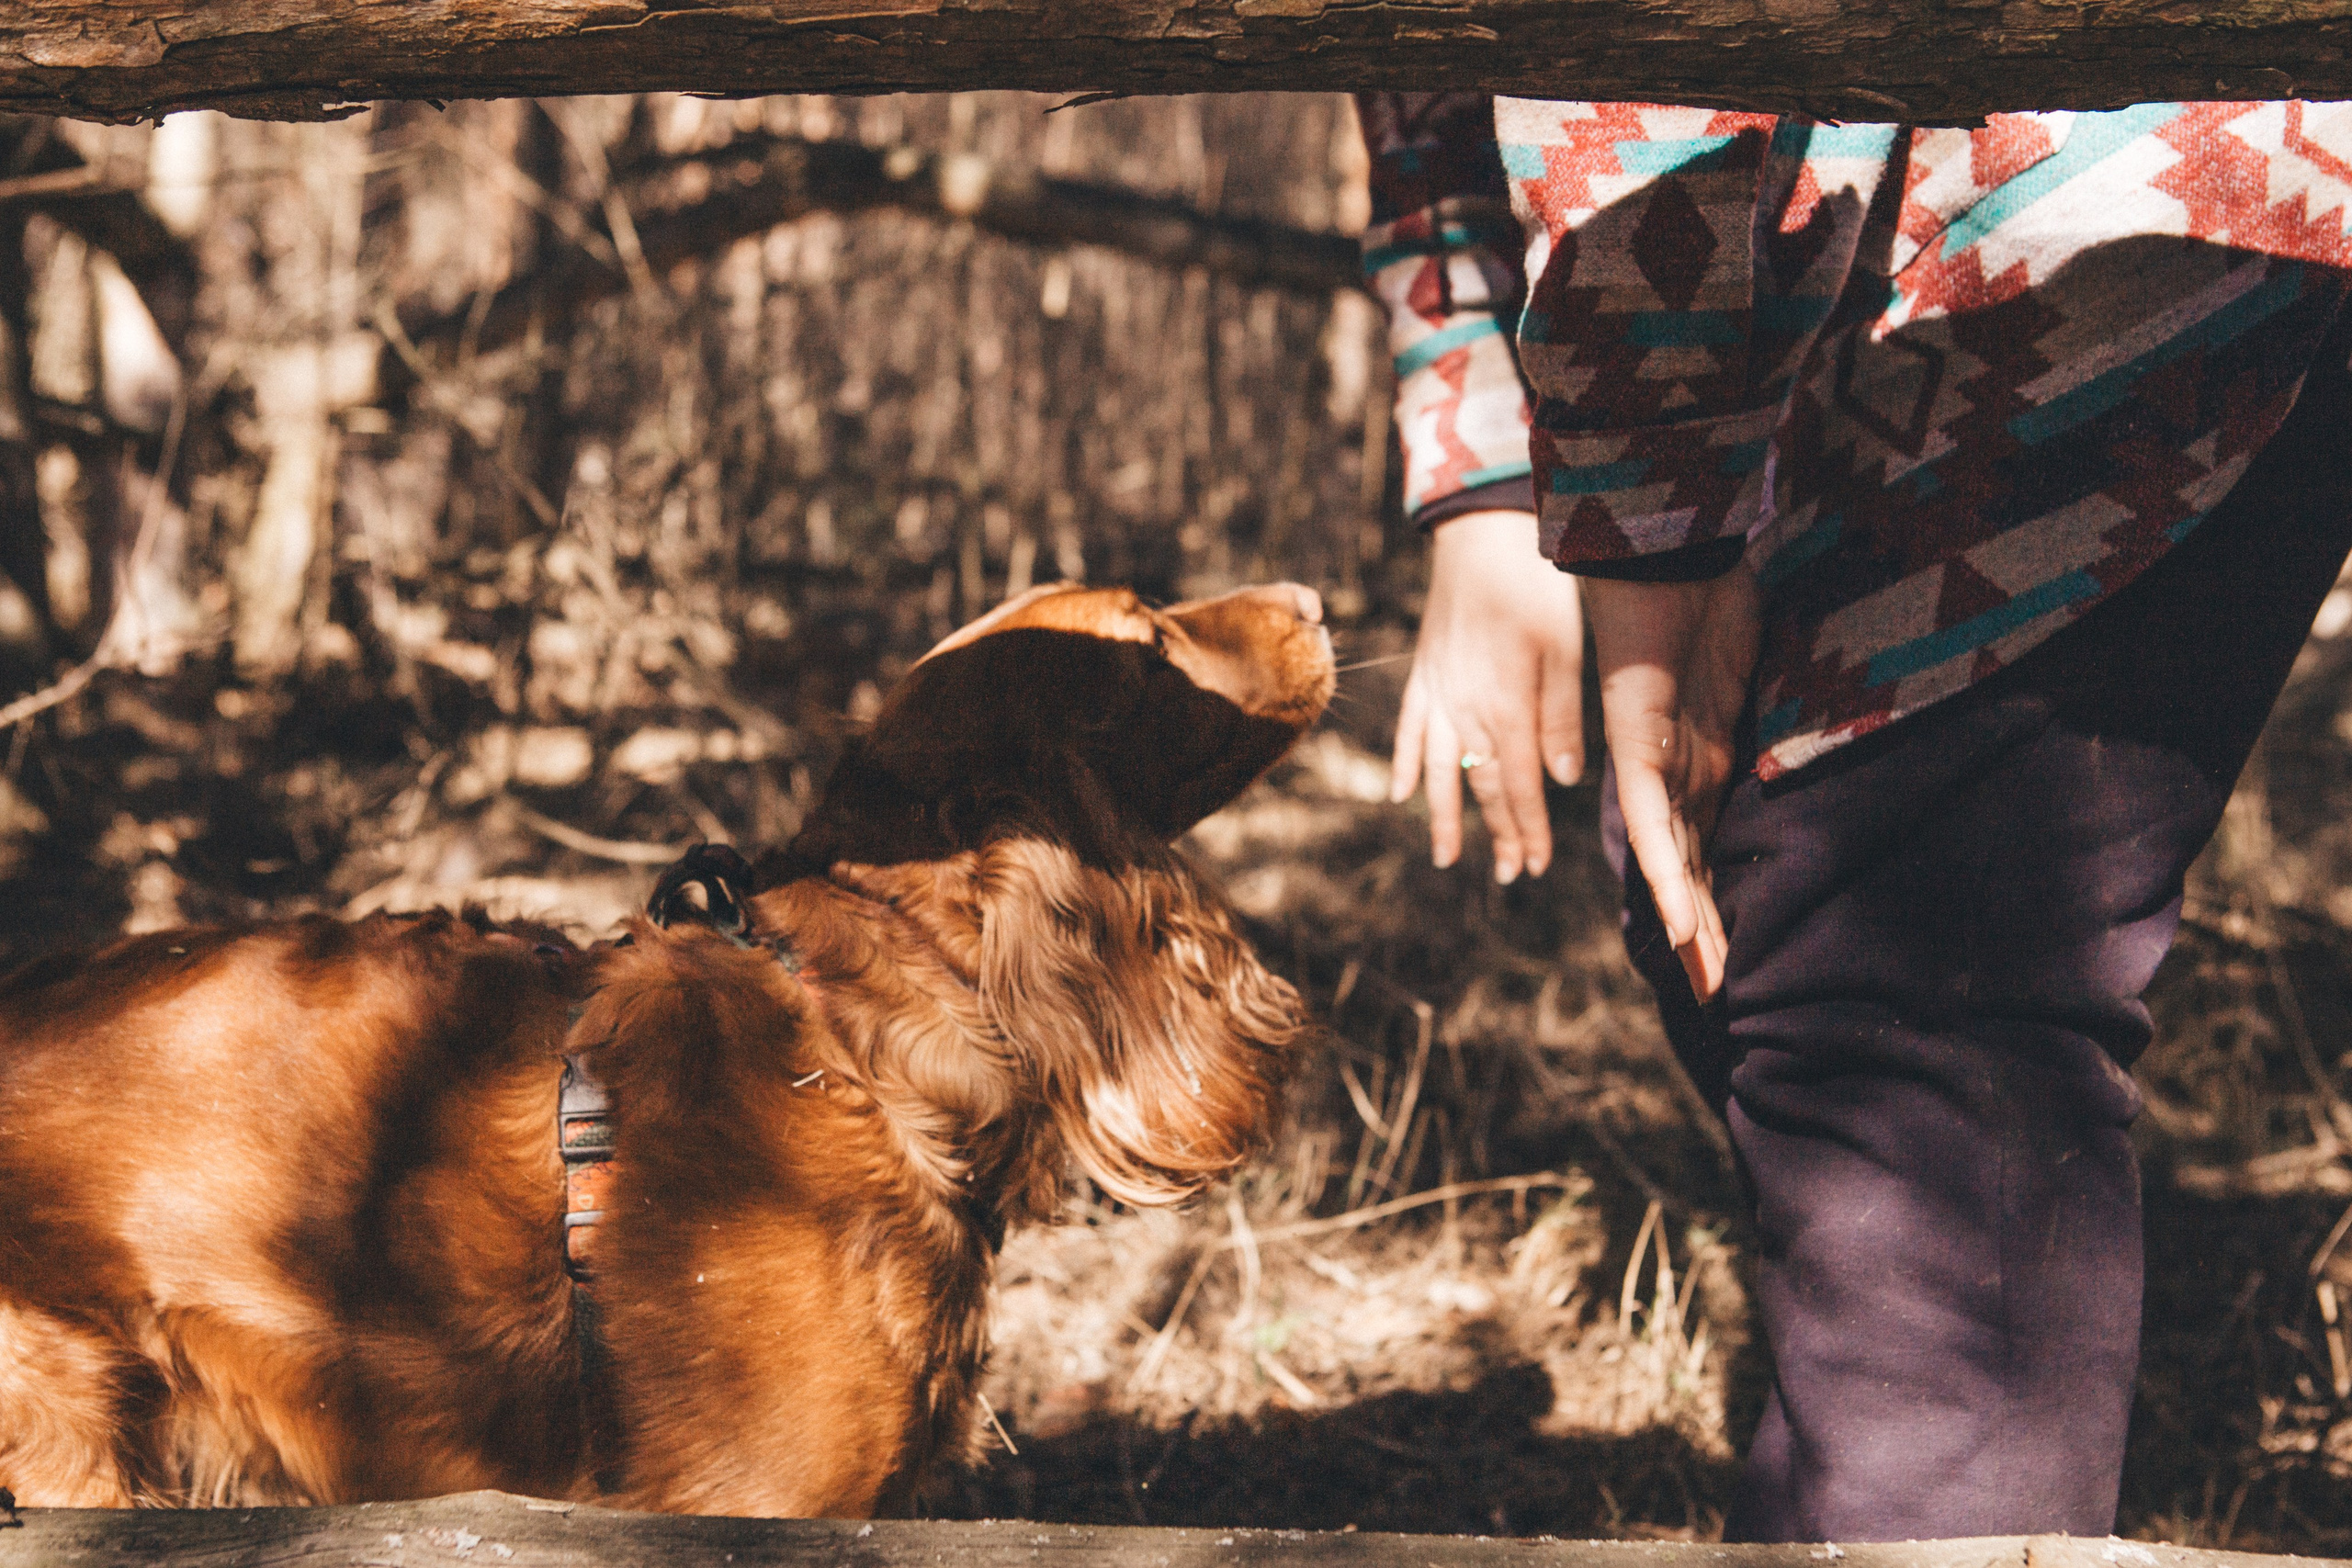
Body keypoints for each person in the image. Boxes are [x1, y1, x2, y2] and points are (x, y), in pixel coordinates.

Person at [1356, 93, 2352, 1541]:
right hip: (1913, 222)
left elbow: (1627, 58)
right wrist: (1486, 471)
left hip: (2126, 191)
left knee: (1890, 980)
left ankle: (1943, 1479)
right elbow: (1426, 87)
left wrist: (1646, 508)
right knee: (1741, 899)